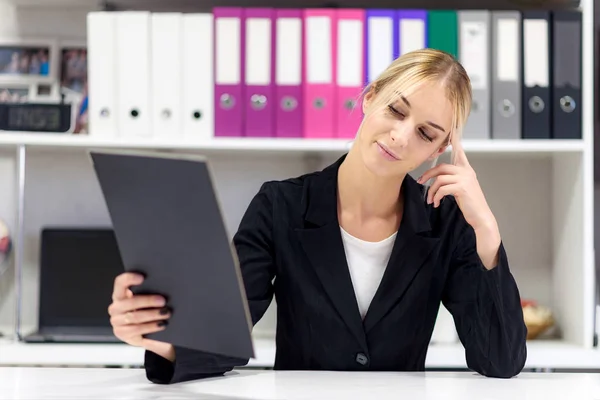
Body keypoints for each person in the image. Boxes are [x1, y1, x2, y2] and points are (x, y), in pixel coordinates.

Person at [107, 48, 527, 384]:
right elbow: (226, 336)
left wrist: (487, 231)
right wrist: (155, 338)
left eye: (425, 133)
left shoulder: (445, 222)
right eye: (396, 111)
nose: (401, 136)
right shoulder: (280, 206)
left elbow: (500, 360)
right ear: (369, 98)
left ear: (438, 151)